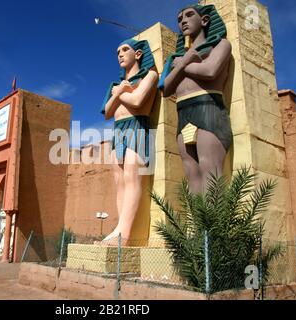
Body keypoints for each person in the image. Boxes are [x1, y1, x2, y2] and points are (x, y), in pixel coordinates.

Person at [159, 4, 233, 194]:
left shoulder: (220, 44)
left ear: (205, 20)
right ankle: (196, 225)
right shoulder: (177, 58)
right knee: (192, 174)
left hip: (208, 108)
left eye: (189, 15)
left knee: (211, 170)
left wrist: (181, 65)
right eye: (179, 18)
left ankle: (213, 224)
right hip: (183, 114)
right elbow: (166, 88)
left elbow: (210, 71)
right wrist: (184, 61)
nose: (183, 21)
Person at [98, 38, 158, 246]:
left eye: (125, 49)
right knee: (120, 183)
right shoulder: (115, 85)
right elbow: (107, 112)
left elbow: (138, 101)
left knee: (133, 178)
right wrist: (118, 92)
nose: (120, 54)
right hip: (118, 132)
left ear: (138, 54)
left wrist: (120, 93)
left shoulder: (149, 75)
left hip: (137, 126)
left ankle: (125, 234)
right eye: (118, 51)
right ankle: (119, 229)